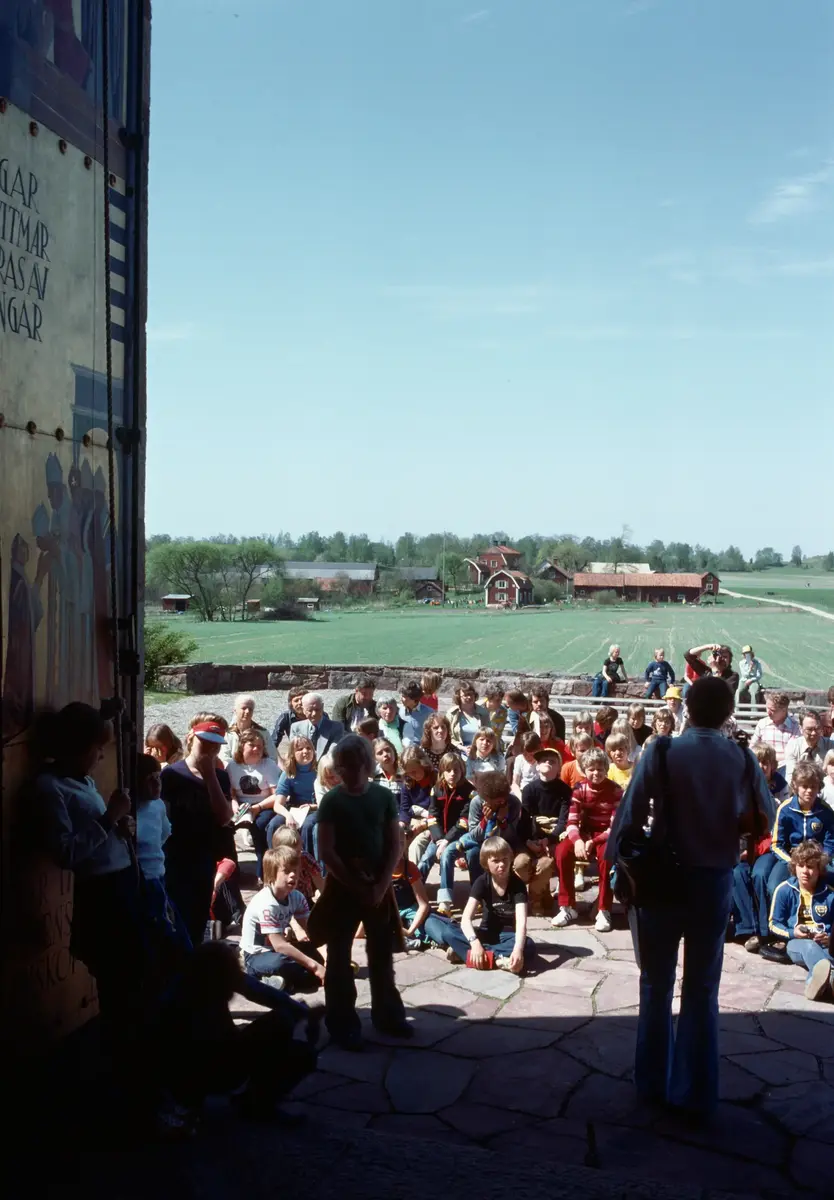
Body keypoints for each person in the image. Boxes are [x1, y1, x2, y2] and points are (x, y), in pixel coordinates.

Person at [609, 676, 772, 1119]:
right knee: (701, 988)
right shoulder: (740, 757)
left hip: (663, 877)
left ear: (688, 708)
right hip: (713, 881)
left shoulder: (663, 751)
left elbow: (630, 814)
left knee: (655, 983)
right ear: (727, 713)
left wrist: (616, 868)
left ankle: (651, 1085)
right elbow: (765, 814)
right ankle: (695, 1092)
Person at [34, 704, 147, 1041]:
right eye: (96, 748)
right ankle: (120, 1048)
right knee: (117, 981)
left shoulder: (83, 780)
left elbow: (100, 832)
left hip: (122, 884)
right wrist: (109, 818)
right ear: (76, 748)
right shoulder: (50, 787)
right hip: (101, 895)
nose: (100, 756)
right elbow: (66, 852)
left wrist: (119, 827)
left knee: (135, 973)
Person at [308, 735, 410, 1049]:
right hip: (343, 886)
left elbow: (394, 843)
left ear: (367, 765)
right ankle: (342, 1024)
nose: (351, 772)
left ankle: (388, 1015)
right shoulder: (332, 801)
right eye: (345, 766)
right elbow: (327, 851)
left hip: (378, 882)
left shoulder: (383, 796)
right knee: (339, 956)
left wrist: (380, 885)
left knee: (381, 954)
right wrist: (354, 884)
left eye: (356, 765)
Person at [152, 942, 316, 1128]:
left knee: (295, 1042)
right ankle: (257, 1103)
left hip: (204, 1071)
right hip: (203, 1073)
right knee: (287, 1029)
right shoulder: (190, 1000)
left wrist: (302, 1011)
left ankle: (253, 1100)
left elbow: (258, 991)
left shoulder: (197, 982)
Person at [162, 714, 234, 947]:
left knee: (198, 919)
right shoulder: (172, 774)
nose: (211, 750)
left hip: (204, 857)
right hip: (175, 857)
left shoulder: (220, 777)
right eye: (206, 743)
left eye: (216, 746)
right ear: (191, 738)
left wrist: (210, 775)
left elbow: (224, 817)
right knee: (175, 919)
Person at [430, 836, 533, 975]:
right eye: (495, 861)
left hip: (507, 935)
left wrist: (518, 950)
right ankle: (496, 960)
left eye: (505, 859)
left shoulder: (518, 885)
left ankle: (468, 955)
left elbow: (521, 922)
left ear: (511, 859)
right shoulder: (482, 882)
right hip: (485, 931)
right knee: (449, 932)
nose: (501, 864)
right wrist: (475, 943)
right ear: (486, 863)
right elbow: (466, 919)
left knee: (528, 946)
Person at [552, 748, 623, 932]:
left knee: (607, 857)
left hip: (605, 834)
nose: (596, 773)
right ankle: (567, 906)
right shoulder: (579, 789)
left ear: (606, 769)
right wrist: (577, 840)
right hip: (584, 832)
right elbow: (572, 821)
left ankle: (603, 909)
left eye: (600, 769)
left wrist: (595, 841)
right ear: (584, 770)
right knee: (562, 851)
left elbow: (615, 826)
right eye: (591, 769)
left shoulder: (616, 791)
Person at [240, 846, 324, 993]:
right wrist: (315, 967)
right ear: (272, 874)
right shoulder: (267, 903)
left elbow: (311, 932)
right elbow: (280, 946)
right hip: (257, 955)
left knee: (314, 956)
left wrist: (327, 958)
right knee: (283, 963)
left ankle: (283, 983)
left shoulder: (297, 897)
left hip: (279, 951)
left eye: (296, 871)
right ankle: (259, 977)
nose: (293, 875)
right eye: (286, 871)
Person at [135, 753, 190, 958]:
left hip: (158, 874)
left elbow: (165, 832)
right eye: (149, 779)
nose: (156, 784)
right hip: (142, 878)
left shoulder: (157, 806)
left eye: (158, 777)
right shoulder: (131, 809)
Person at [769, 841, 833, 1002]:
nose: (805, 871)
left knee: (828, 953)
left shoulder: (830, 894)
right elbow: (774, 924)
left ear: (819, 869)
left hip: (825, 944)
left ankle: (818, 984)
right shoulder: (784, 890)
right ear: (794, 867)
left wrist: (830, 938)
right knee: (809, 947)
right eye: (801, 865)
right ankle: (825, 977)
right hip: (798, 943)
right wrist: (793, 933)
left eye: (810, 867)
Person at [419, 752, 474, 915]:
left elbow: (464, 821)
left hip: (459, 836)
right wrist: (438, 839)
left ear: (462, 771)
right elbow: (432, 817)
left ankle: (445, 901)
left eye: (456, 770)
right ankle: (413, 893)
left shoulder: (469, 792)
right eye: (448, 770)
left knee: (446, 856)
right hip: (439, 837)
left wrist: (446, 841)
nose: (452, 774)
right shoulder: (436, 790)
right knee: (426, 858)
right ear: (442, 771)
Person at [520, 747, 571, 915]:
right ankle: (537, 894)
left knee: (546, 864)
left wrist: (549, 840)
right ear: (537, 766)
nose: (547, 762)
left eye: (552, 761)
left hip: (554, 837)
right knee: (520, 864)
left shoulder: (564, 790)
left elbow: (563, 820)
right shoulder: (529, 790)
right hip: (531, 838)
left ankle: (536, 899)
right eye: (543, 760)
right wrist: (530, 841)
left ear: (558, 768)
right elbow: (525, 820)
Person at [226, 729, 280, 880]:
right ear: (242, 746)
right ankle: (232, 872)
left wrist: (258, 807)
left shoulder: (268, 765)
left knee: (260, 826)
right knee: (225, 827)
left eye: (260, 746)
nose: (256, 749)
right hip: (241, 806)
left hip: (263, 804)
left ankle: (262, 873)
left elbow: (277, 794)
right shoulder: (232, 766)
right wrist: (234, 806)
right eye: (252, 745)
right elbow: (231, 794)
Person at [267, 735, 318, 857]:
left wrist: (312, 806)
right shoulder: (289, 773)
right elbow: (278, 804)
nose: (305, 751)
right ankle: (274, 860)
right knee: (274, 825)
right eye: (300, 749)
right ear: (292, 754)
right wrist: (288, 815)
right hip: (295, 809)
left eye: (308, 748)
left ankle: (308, 862)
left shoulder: (319, 771)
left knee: (308, 826)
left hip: (315, 808)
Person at [271, 824, 324, 907]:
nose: (298, 856)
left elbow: (317, 877)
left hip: (304, 897)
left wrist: (324, 894)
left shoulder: (304, 858)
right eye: (293, 853)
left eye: (299, 851)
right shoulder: (275, 862)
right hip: (283, 897)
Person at [398, 747, 435, 866]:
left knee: (416, 845)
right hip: (414, 821)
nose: (412, 775)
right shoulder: (408, 782)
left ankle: (414, 876)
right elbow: (404, 808)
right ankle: (400, 874)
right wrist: (402, 824)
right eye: (408, 773)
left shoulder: (436, 778)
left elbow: (439, 809)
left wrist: (424, 823)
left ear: (423, 764)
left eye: (414, 771)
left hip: (433, 822)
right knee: (399, 841)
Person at [391, 849, 433, 950]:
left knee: (426, 925)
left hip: (410, 908)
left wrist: (410, 931)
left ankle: (425, 941)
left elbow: (424, 905)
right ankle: (412, 943)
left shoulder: (409, 867)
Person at [751, 691, 800, 770]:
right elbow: (752, 748)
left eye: (773, 710)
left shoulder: (795, 727)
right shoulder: (762, 724)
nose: (768, 713)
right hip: (763, 766)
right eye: (767, 708)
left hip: (784, 767)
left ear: (784, 710)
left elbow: (792, 754)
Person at [223, 694, 277, 764]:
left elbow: (272, 758)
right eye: (244, 708)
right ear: (235, 710)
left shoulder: (263, 733)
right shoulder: (228, 733)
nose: (247, 711)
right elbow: (224, 758)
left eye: (250, 709)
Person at [783, 709, 834, 783]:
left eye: (817, 728)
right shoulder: (793, 747)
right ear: (800, 729)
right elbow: (791, 778)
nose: (814, 733)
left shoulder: (831, 746)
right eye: (809, 729)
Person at [290, 692, 344, 758]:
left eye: (317, 710)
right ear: (303, 710)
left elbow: (333, 751)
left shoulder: (336, 727)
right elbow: (295, 752)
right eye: (310, 710)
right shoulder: (296, 728)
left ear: (322, 707)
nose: (314, 714)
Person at [448, 682, 491, 752]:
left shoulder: (483, 713)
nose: (469, 697)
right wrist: (462, 748)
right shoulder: (452, 713)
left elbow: (489, 735)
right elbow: (448, 737)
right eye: (465, 695)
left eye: (471, 694)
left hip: (479, 751)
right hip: (457, 751)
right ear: (458, 697)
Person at [272, 686, 306, 763]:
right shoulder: (285, 716)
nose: (300, 703)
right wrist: (279, 762)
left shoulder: (318, 714)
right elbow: (274, 741)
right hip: (296, 750)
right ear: (291, 704)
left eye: (302, 699)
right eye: (296, 700)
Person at [400, 680, 433, 746]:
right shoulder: (399, 711)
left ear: (414, 700)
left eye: (405, 697)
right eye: (402, 695)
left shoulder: (429, 713)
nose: (402, 699)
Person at [511, 730, 542, 797]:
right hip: (523, 792)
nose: (528, 757)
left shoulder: (542, 760)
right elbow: (515, 783)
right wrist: (520, 797)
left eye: (531, 754)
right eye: (525, 754)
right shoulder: (520, 759)